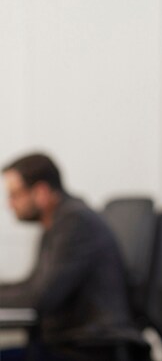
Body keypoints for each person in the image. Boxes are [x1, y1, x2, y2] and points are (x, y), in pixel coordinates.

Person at [0, 153, 148, 361]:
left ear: (41, 192)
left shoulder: (75, 223)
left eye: (15, 195)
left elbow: (42, 296)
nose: (10, 204)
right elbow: (32, 286)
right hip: (64, 344)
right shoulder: (56, 223)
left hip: (85, 349)